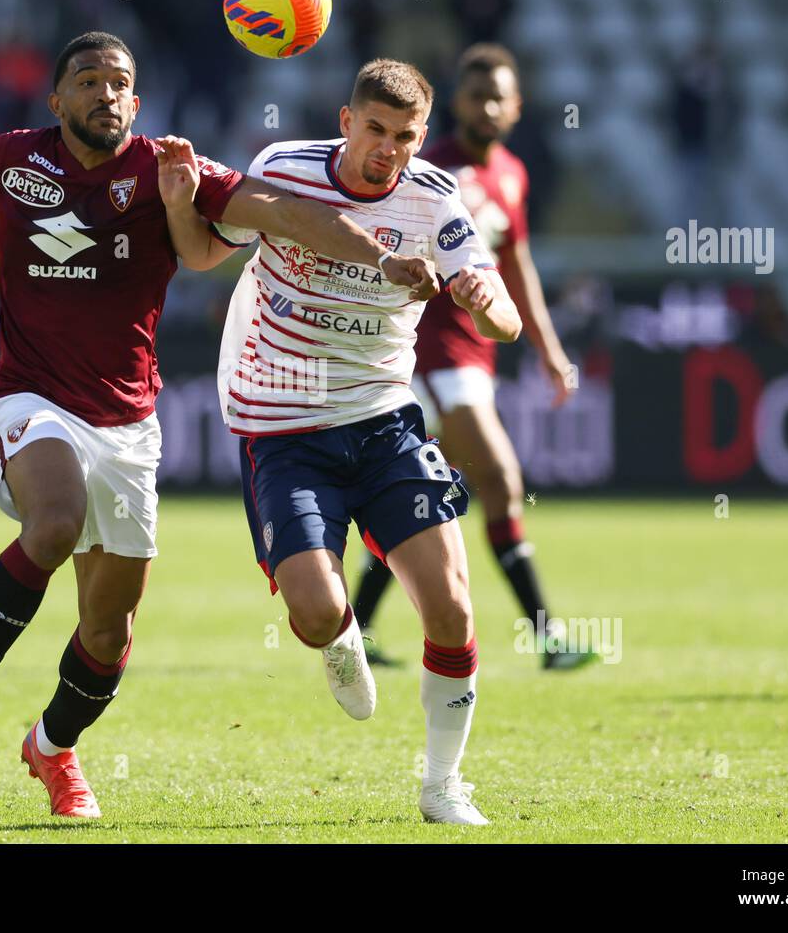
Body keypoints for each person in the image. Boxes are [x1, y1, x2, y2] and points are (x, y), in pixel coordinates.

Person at [0, 31, 435, 819]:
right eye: (87, 81)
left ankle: (54, 749)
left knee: (107, 633)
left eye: (119, 82)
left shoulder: (171, 173)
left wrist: (381, 255)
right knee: (53, 522)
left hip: (128, 423)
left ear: (137, 100)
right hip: (29, 398)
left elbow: (284, 212)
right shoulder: (11, 162)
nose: (105, 93)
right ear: (56, 100)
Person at [166, 58, 522, 824]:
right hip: (283, 425)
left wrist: (483, 300)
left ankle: (442, 786)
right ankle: (338, 635)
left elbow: (505, 320)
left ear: (422, 139)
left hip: (385, 421)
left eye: (404, 136)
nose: (387, 149)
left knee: (453, 610)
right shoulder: (282, 171)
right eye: (375, 131)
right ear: (345, 122)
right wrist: (173, 201)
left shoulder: (435, 200)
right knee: (320, 612)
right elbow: (198, 255)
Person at [351, 43, 598, 671]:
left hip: (474, 358)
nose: (486, 107)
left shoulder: (512, 174)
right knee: (499, 482)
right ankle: (546, 639)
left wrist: (549, 349)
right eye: (475, 95)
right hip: (428, 356)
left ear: (517, 107)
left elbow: (518, 269)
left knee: (420, 497)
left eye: (499, 97)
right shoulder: (427, 169)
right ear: (455, 103)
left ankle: (355, 629)